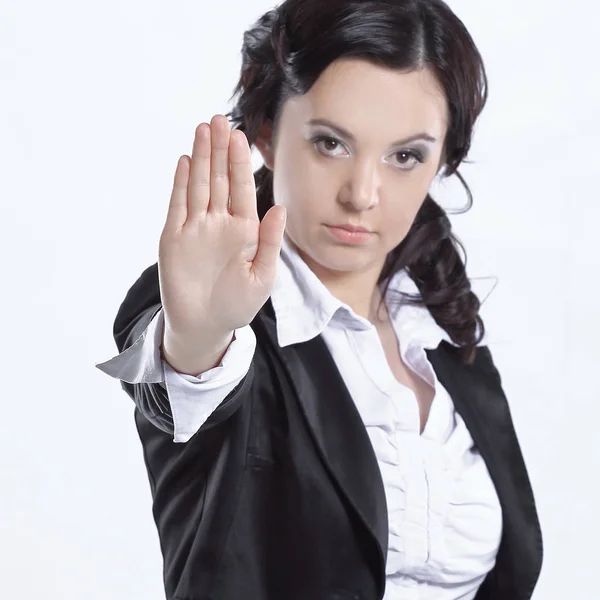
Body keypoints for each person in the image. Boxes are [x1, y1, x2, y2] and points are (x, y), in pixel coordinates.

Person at [96, 0, 543, 598]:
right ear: (266, 132)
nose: (362, 194)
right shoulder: (218, 312)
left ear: (443, 160)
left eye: (405, 156)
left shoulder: (439, 329)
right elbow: (180, 382)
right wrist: (198, 342)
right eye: (331, 143)